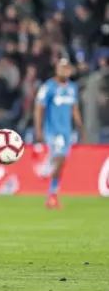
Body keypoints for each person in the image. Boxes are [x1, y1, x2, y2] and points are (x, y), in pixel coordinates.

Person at [34, 58, 86, 209]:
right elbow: (39, 108)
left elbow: (74, 109)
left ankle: (52, 194)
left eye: (68, 68)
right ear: (57, 69)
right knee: (60, 158)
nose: (65, 71)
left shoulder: (73, 88)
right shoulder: (48, 87)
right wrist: (38, 130)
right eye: (62, 68)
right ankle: (49, 175)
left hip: (66, 132)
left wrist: (81, 128)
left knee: (61, 163)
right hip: (52, 130)